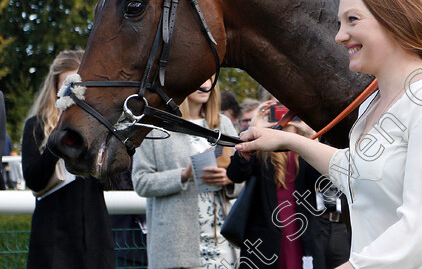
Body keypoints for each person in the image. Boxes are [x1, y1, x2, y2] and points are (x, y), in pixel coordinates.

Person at [236, 0, 422, 268]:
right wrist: (287, 140)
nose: (340, 36)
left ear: (395, 18)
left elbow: (418, 231)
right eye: (340, 23)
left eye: (352, 20)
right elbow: (356, 170)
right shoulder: (373, 105)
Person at [21, 50, 116, 269]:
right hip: (53, 240)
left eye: (79, 85)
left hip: (94, 239)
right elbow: (34, 180)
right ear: (54, 86)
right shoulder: (36, 126)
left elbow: (113, 182)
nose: (73, 93)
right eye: (67, 85)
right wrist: (58, 140)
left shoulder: (99, 126)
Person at [132, 78, 241, 269]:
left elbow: (244, 176)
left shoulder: (223, 124)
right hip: (177, 247)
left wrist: (229, 179)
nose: (205, 84)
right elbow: (141, 182)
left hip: (223, 242)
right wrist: (183, 174)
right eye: (200, 76)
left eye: (210, 78)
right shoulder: (154, 127)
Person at [226, 100, 319, 269]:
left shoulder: (307, 144)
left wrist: (312, 134)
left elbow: (324, 182)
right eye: (277, 106)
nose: (283, 112)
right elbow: (235, 174)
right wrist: (253, 128)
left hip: (302, 234)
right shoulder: (261, 144)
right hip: (264, 240)